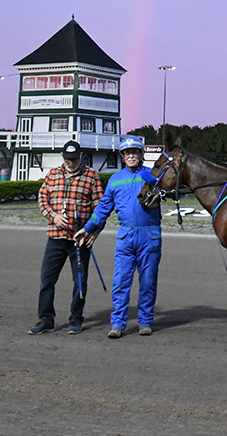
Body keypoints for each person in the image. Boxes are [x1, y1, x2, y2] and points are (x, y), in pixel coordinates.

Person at [75, 136, 162, 339]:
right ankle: (118, 323)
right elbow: (103, 208)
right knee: (121, 281)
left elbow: (170, 191)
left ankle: (145, 321)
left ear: (141, 155)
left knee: (148, 281)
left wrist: (156, 183)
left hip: (150, 235)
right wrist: (87, 228)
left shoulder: (152, 175)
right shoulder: (115, 179)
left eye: (135, 152)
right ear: (122, 156)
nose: (131, 155)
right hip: (126, 236)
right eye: (127, 152)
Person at [29, 140, 104, 335]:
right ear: (63, 157)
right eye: (68, 158)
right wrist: (54, 216)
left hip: (79, 240)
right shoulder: (53, 174)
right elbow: (42, 200)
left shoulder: (92, 176)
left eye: (75, 158)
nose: (71, 161)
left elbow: (100, 209)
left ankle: (76, 320)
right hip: (55, 237)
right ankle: (45, 320)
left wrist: (93, 232)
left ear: (81, 157)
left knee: (80, 282)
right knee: (47, 280)